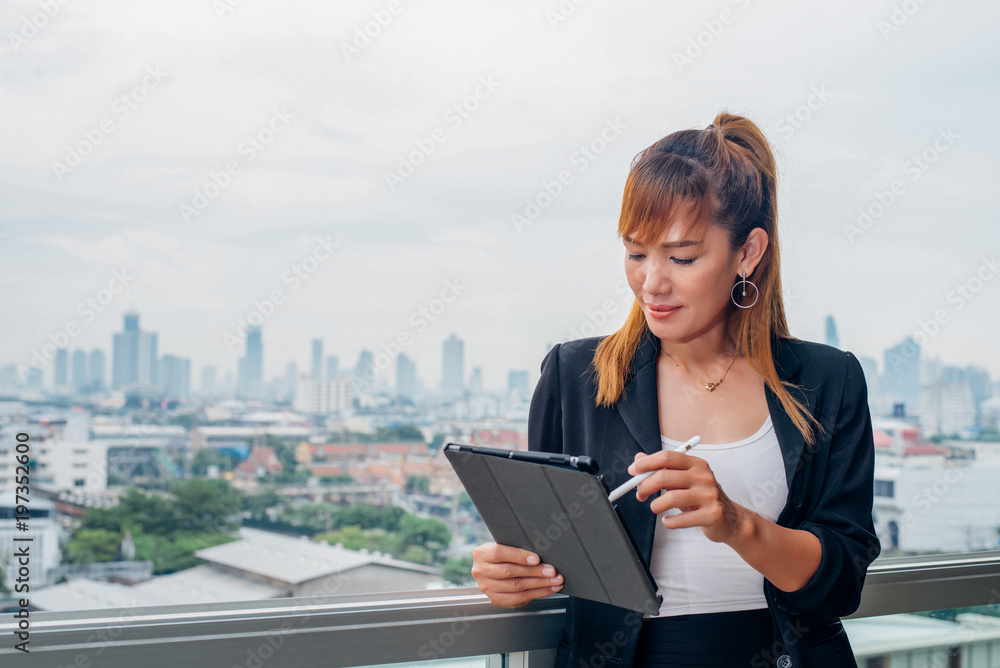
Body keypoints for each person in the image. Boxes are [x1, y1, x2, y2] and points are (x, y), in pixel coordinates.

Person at [471, 111, 881, 667]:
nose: (651, 282)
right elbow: (547, 550)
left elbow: (842, 583)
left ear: (748, 253)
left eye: (682, 257)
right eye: (636, 252)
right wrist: (509, 573)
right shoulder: (575, 376)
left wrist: (735, 523)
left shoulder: (827, 382)